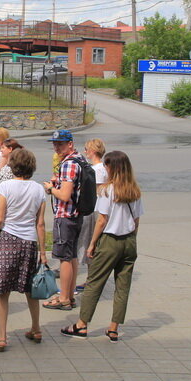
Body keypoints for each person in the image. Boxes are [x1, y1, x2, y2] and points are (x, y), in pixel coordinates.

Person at [61, 151, 143, 342]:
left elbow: (102, 220)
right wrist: (132, 239)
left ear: (112, 168)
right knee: (123, 286)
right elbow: (136, 219)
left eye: (107, 165)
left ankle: (81, 325)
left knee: (94, 283)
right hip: (129, 240)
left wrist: (92, 244)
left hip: (110, 240)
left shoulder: (107, 190)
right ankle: (114, 328)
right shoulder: (135, 191)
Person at [0, 148, 47, 351]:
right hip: (29, 242)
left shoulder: (6, 186)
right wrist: (43, 252)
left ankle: (2, 337)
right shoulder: (38, 189)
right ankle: (36, 328)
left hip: (7, 240)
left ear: (13, 165)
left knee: (2, 292)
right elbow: (41, 224)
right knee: (30, 289)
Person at [42, 130, 84, 311]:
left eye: (60, 143)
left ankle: (65, 298)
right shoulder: (80, 159)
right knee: (72, 256)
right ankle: (70, 294)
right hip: (77, 215)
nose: (56, 147)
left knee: (64, 259)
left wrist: (51, 188)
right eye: (55, 144)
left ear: (70, 144)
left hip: (65, 216)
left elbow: (65, 195)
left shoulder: (68, 164)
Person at [71, 139, 107, 296]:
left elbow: (96, 191)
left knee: (87, 243)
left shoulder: (98, 169)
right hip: (94, 209)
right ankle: (91, 278)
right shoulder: (100, 168)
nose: (85, 152)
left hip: (92, 210)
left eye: (87, 149)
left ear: (92, 150)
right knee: (87, 243)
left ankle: (91, 279)